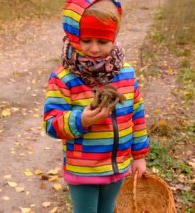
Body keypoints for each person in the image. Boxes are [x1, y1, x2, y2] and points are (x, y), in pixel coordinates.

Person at [43, 0, 149, 212]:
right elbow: (51, 123)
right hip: (83, 170)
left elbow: (137, 117)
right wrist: (80, 120)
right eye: (86, 40)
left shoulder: (125, 73)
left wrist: (139, 156)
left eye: (102, 41)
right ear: (74, 36)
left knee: (108, 209)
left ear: (114, 38)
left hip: (117, 166)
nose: (93, 49)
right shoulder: (64, 77)